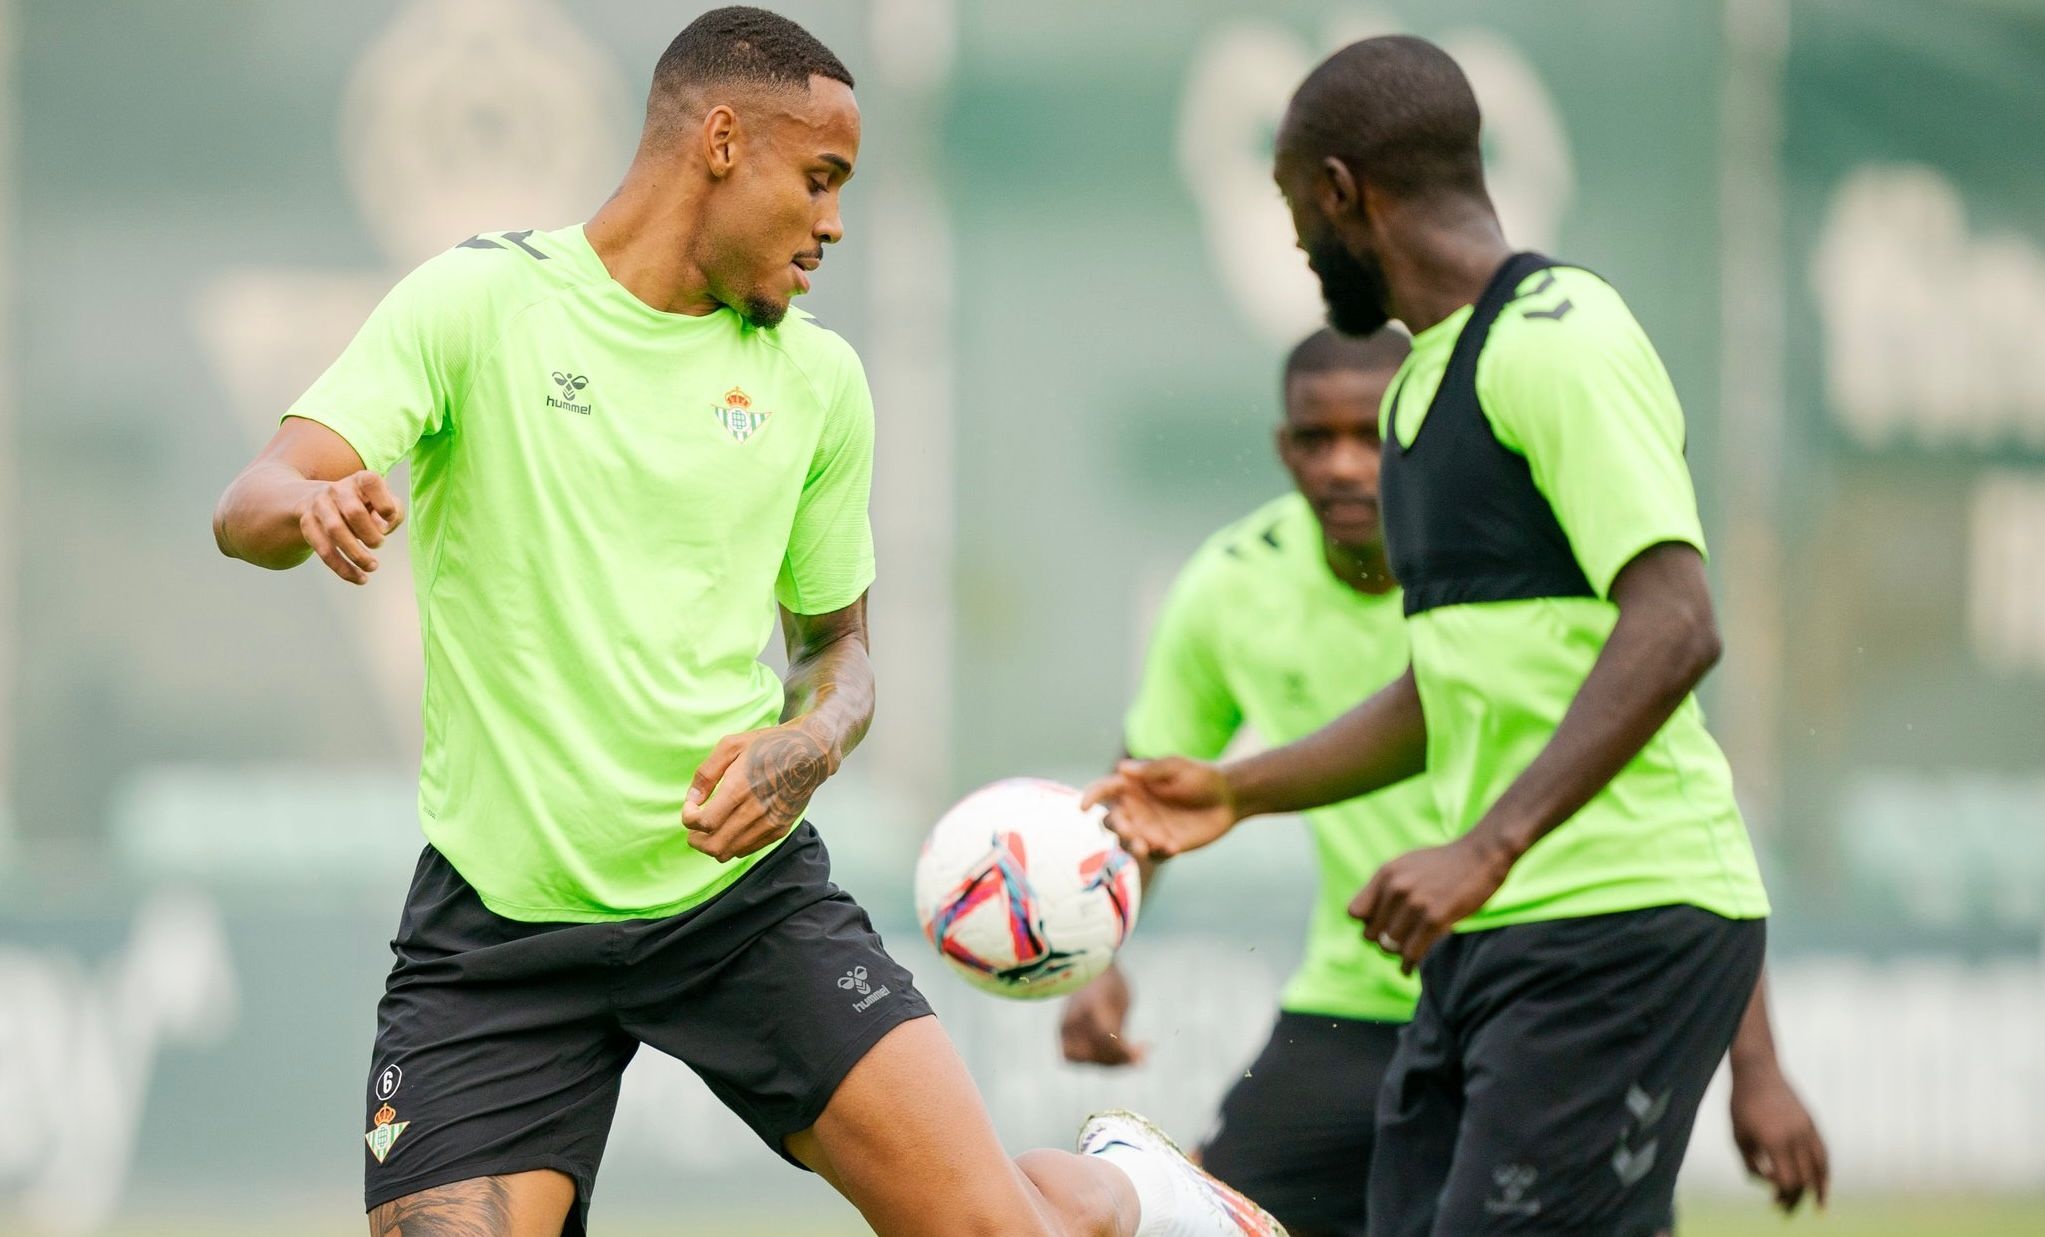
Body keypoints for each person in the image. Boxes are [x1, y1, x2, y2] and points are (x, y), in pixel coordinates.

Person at [213, 9, 1285, 1237]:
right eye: (819, 181)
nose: (833, 225)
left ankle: (1129, 1192)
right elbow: (248, 500)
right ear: (720, 142)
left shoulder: (817, 380)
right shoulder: (478, 305)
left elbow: (841, 654)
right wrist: (312, 502)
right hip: (500, 935)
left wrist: (807, 745)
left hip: (742, 908)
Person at [1087, 36, 1823, 1236]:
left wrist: (1480, 848)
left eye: (1291, 209)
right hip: (1496, 936)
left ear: (1339, 191)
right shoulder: (1426, 385)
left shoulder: (1560, 332)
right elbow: (1446, 695)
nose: (1293, 244)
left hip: (1617, 920)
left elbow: (1678, 619)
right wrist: (1237, 788)